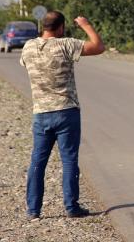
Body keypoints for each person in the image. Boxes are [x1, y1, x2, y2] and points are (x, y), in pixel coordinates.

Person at [20, 11, 104, 220]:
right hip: (66, 111)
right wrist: (85, 24)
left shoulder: (28, 47)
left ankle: (33, 210)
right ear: (60, 28)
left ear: (43, 26)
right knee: (68, 160)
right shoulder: (65, 45)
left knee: (38, 161)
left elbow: (24, 64)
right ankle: (71, 206)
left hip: (41, 113)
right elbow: (98, 47)